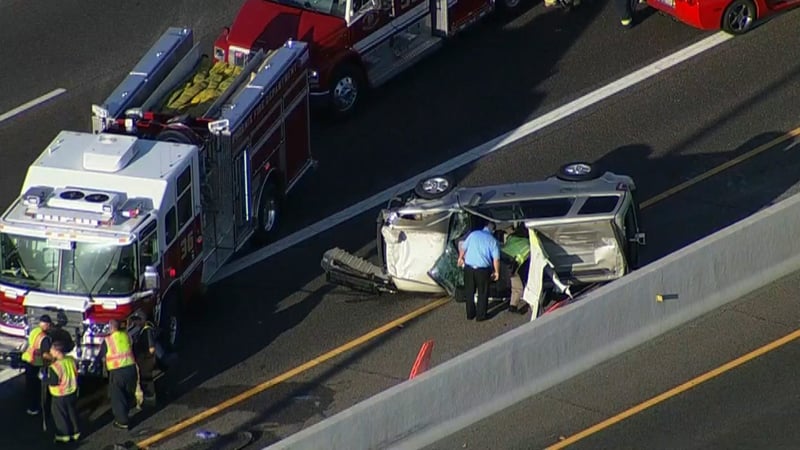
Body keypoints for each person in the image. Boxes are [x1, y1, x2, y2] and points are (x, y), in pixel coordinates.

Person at [96, 319, 137, 429]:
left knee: (118, 396)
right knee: (129, 392)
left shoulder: (108, 341)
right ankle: (127, 411)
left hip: (117, 371)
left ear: (110, 328)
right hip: (131, 368)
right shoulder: (126, 336)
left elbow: (101, 356)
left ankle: (122, 421)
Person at [457, 220, 500, 322]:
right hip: (483, 270)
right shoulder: (492, 241)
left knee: (469, 291)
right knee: (482, 292)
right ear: (493, 230)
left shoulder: (473, 235)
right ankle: (481, 316)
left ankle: (470, 314)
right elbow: (496, 259)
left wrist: (460, 258)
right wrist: (497, 272)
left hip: (469, 268)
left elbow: (463, 247)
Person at [46, 341, 80, 444]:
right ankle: (75, 433)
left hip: (60, 395)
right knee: (72, 413)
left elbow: (53, 382)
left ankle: (63, 436)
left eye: (52, 350)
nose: (50, 352)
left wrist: (44, 379)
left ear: (57, 351)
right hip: (72, 391)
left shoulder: (55, 367)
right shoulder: (71, 360)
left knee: (60, 415)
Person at [21, 314, 53, 416]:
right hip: (36, 362)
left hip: (28, 359)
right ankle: (34, 407)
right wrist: (55, 359)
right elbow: (45, 354)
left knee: (29, 385)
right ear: (47, 325)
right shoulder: (44, 338)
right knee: (36, 387)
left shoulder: (35, 331)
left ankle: (29, 407)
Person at [499, 226, 531, 315]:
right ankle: (513, 307)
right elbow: (523, 256)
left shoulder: (512, 238)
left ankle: (511, 304)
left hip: (501, 260)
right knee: (518, 287)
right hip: (511, 264)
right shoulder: (527, 244)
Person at [129, 312, 157, 405]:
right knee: (143, 379)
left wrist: (144, 357)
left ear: (141, 320)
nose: (134, 323)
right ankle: (147, 398)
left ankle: (150, 400)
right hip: (143, 360)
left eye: (136, 320)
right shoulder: (141, 330)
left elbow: (151, 348)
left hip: (146, 360)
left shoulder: (147, 330)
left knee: (146, 379)